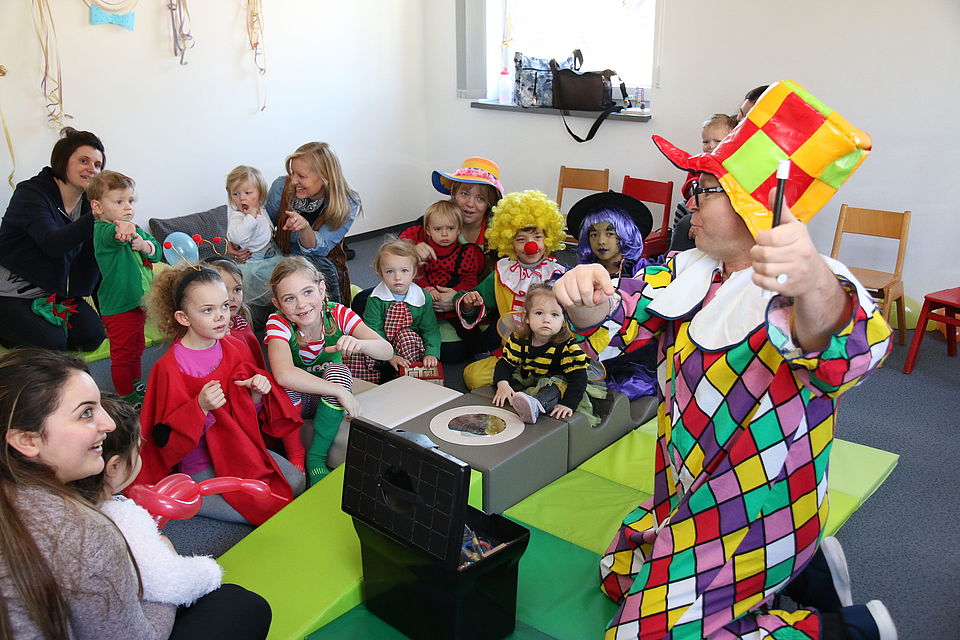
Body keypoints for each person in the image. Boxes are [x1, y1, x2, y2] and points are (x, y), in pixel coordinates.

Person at [554, 81, 895, 639]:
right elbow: (616, 323)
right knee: (618, 575)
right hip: (685, 488)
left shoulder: (805, 287)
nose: (688, 199)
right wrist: (586, 298)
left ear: (751, 203)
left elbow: (844, 356)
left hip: (755, 514)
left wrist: (810, 282)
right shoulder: (686, 268)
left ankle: (848, 631)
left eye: (704, 189)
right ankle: (808, 583)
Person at [0, 347, 272, 639]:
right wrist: (167, 568)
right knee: (243, 605)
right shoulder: (83, 535)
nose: (109, 424)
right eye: (86, 413)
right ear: (27, 440)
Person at [138, 266, 305, 525]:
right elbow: (166, 438)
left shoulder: (235, 347)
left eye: (224, 306)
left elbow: (248, 416)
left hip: (238, 449)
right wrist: (200, 409)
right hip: (200, 463)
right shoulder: (169, 368)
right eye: (208, 310)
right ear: (183, 318)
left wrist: (257, 395)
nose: (221, 317)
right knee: (268, 510)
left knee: (295, 483)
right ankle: (188, 494)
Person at [75, 393, 223, 607]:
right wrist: (209, 571)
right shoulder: (124, 518)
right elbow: (172, 583)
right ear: (115, 467)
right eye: (137, 450)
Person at [265, 257, 392, 485]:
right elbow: (284, 374)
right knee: (278, 384)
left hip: (328, 402)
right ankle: (296, 456)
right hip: (298, 400)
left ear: (322, 288)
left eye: (307, 292)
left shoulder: (337, 313)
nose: (301, 304)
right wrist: (340, 391)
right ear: (278, 304)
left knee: (338, 369)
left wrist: (361, 344)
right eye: (289, 299)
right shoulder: (278, 323)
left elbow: (387, 351)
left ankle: (316, 458)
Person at [0, 127, 121, 351]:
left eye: (97, 165)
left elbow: (96, 262)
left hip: (55, 292)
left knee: (93, 336)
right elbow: (52, 243)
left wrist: (110, 317)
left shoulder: (89, 204)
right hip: (10, 293)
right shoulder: (31, 194)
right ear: (63, 161)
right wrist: (96, 217)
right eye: (83, 161)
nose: (91, 170)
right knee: (52, 342)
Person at [455, 190, 567, 390]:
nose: (530, 246)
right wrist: (469, 303)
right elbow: (478, 301)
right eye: (521, 239)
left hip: (551, 350)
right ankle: (522, 380)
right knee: (473, 376)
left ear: (548, 239)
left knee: (566, 377)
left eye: (537, 237)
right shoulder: (502, 273)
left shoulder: (559, 275)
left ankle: (529, 382)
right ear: (509, 242)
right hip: (513, 350)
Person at [567, 192, 658, 400]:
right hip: (587, 358)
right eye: (593, 234)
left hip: (634, 362)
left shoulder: (643, 274)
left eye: (610, 233)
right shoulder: (581, 274)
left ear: (625, 234)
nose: (601, 241)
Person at [88, 170, 162, 406]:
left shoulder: (133, 228)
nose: (128, 207)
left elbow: (158, 251)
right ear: (97, 207)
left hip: (138, 301)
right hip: (118, 306)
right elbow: (115, 235)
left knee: (138, 346)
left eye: (130, 201)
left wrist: (146, 246)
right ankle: (124, 396)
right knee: (123, 354)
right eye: (119, 201)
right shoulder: (102, 231)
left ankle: (136, 383)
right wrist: (127, 232)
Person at [403, 157, 504, 315]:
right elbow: (392, 254)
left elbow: (502, 283)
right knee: (364, 299)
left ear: (489, 204)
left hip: (476, 307)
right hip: (426, 298)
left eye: (480, 198)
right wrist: (411, 252)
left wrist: (459, 299)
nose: (470, 203)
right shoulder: (435, 219)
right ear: (453, 194)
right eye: (464, 194)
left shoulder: (498, 235)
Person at [491, 283, 603, 425]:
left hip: (559, 383)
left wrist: (568, 404)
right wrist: (503, 384)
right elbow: (505, 364)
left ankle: (537, 405)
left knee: (554, 387)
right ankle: (519, 398)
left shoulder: (568, 347)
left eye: (554, 314)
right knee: (505, 380)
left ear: (563, 321)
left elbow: (578, 378)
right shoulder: (519, 339)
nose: (546, 319)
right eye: (539, 313)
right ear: (527, 317)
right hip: (530, 378)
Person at [263, 142, 361, 304]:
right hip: (281, 254)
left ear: (325, 178)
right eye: (293, 172)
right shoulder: (281, 186)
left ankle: (332, 320)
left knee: (321, 272)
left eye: (301, 176)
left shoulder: (348, 201)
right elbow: (264, 226)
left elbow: (321, 249)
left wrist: (305, 228)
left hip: (319, 260)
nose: (293, 181)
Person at [352, 238, 440, 382]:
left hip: (407, 348)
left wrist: (432, 353)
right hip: (380, 344)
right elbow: (373, 330)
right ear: (381, 273)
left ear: (414, 272)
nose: (397, 277)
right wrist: (390, 355)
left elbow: (430, 329)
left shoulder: (422, 298)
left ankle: (406, 375)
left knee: (407, 336)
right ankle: (379, 375)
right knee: (356, 350)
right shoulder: (375, 299)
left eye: (404, 271)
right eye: (390, 271)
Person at [224, 166, 281, 312]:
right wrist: (250, 217)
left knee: (276, 293)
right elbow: (237, 236)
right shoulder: (238, 216)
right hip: (253, 267)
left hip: (272, 260)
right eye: (235, 194)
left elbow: (267, 231)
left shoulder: (262, 210)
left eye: (248, 193)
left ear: (260, 193)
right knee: (254, 304)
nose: (242, 198)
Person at [204, 257, 264, 367]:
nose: (232, 298)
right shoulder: (204, 332)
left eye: (237, 289)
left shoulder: (241, 322)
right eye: (224, 290)